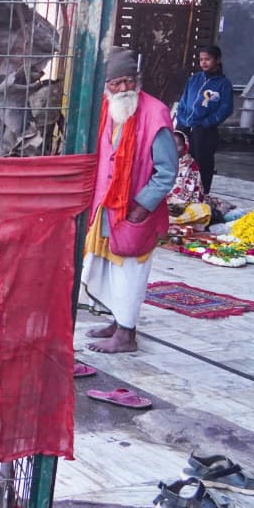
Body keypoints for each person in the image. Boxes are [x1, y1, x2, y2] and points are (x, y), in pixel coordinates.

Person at [82, 47, 177, 355]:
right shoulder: (105, 110)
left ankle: (126, 335)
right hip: (106, 208)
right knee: (108, 268)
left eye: (128, 81)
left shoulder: (155, 112)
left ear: (138, 81)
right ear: (106, 86)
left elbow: (167, 172)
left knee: (130, 272)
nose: (123, 89)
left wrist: (141, 206)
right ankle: (117, 321)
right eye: (116, 83)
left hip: (136, 211)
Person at [175, 44, 232, 196]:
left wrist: (207, 122)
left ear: (217, 60)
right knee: (180, 160)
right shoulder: (194, 79)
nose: (204, 63)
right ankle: (179, 192)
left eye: (208, 59)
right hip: (184, 127)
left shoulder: (223, 84)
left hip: (204, 131)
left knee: (202, 163)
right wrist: (181, 119)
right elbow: (183, 101)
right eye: (201, 60)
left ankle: (202, 194)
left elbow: (225, 109)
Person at [167, 130, 211, 228]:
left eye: (178, 145)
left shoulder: (190, 165)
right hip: (162, 204)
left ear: (185, 146)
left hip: (183, 205)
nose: (173, 149)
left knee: (203, 210)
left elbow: (190, 193)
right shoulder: (161, 162)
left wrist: (174, 204)